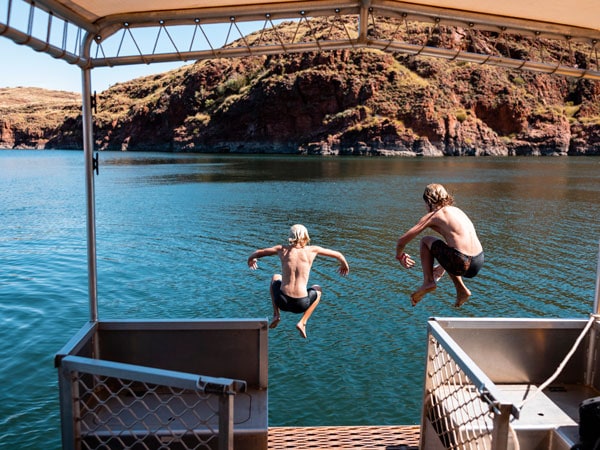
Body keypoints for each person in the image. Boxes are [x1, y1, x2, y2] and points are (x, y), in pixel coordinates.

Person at [248, 224, 349, 338]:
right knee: (318, 289)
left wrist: (251, 259)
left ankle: (276, 314)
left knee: (275, 277)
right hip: (301, 304)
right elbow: (338, 255)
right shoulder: (312, 250)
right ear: (306, 237)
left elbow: (258, 252)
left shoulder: (282, 249)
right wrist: (344, 265)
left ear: (290, 237)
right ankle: (303, 322)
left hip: (282, 301)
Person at [395, 183, 484, 308]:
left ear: (429, 201)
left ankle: (428, 282)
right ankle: (461, 290)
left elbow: (401, 241)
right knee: (450, 251)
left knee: (425, 240)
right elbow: (457, 243)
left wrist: (399, 256)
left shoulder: (434, 215)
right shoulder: (457, 211)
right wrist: (443, 266)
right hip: (478, 260)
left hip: (462, 261)